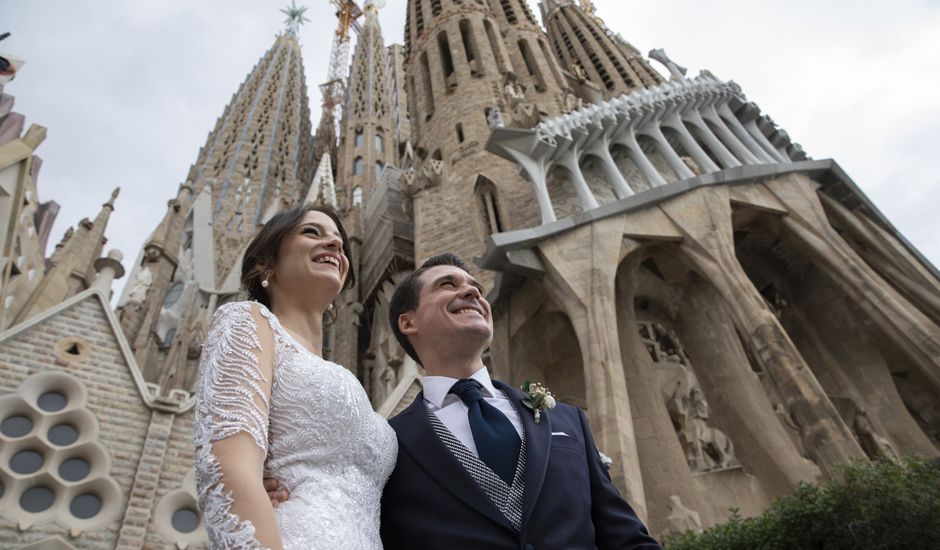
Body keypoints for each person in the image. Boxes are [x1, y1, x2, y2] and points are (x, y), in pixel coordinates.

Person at [378, 253, 661, 549]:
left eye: (477, 288)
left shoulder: (568, 420)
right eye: (447, 285)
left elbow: (625, 538)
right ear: (408, 322)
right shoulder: (390, 441)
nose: (472, 291)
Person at [194, 206, 397, 549]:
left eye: (339, 241)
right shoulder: (247, 321)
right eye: (312, 233)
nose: (334, 242)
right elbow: (226, 471)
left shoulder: (336, 373)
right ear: (266, 263)